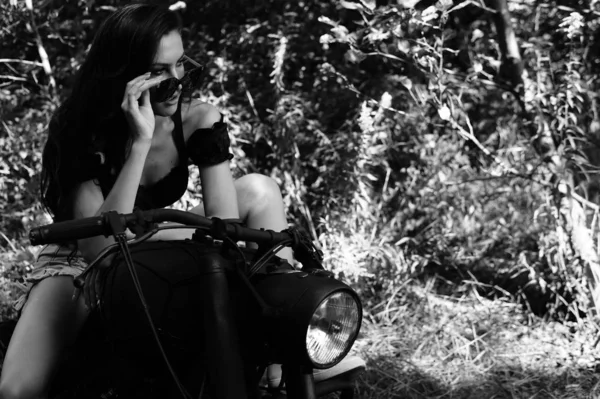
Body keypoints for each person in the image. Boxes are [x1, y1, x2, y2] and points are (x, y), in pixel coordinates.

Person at [0, 4, 295, 398]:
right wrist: (140, 141)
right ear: (123, 75)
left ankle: (287, 335)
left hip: (156, 236)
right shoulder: (80, 128)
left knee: (260, 189)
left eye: (180, 66)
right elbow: (101, 248)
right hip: (80, 255)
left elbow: (225, 228)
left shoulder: (197, 120)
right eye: (158, 72)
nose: (176, 82)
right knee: (18, 389)